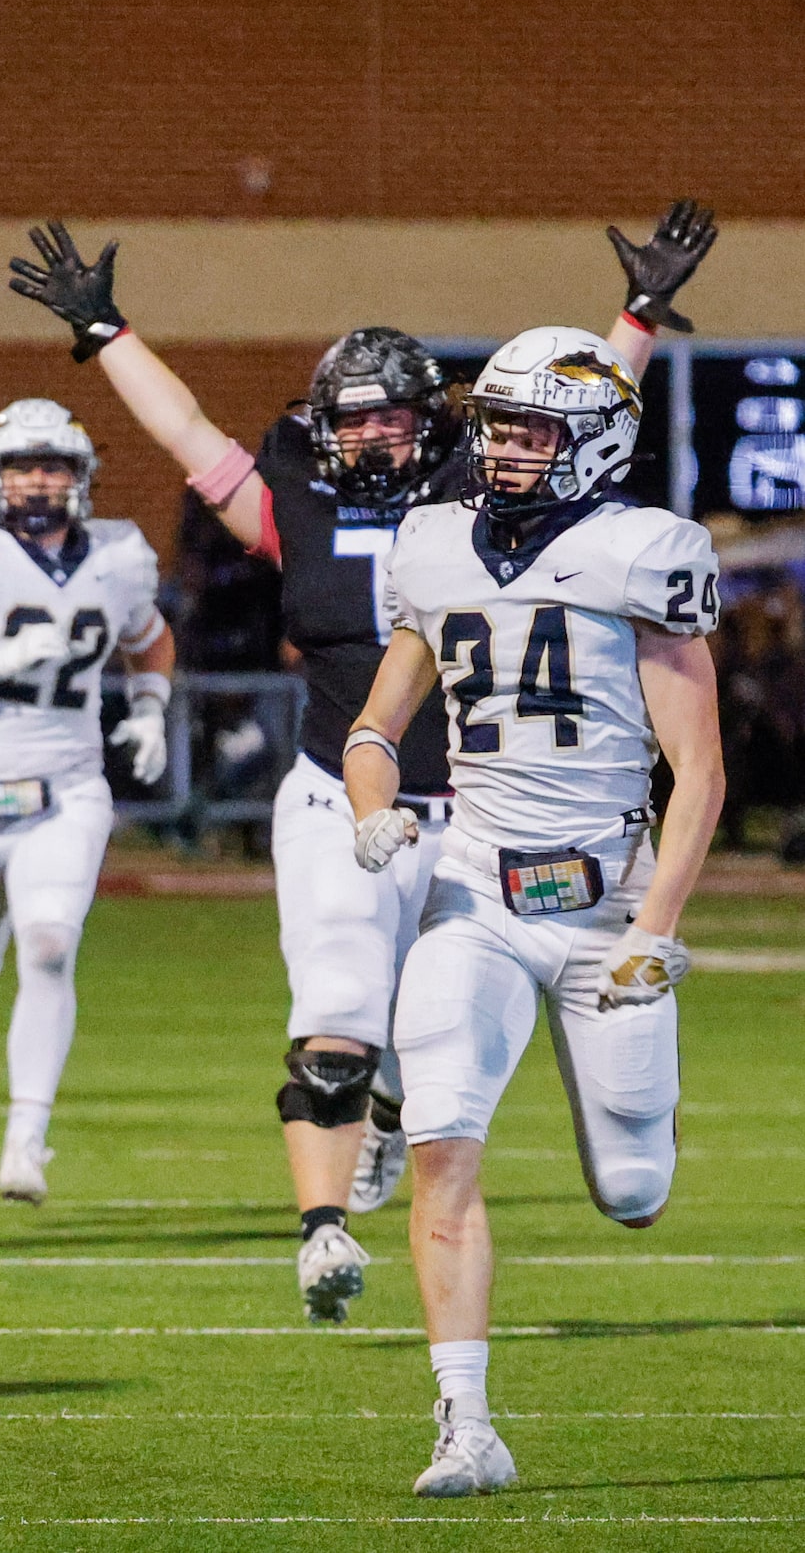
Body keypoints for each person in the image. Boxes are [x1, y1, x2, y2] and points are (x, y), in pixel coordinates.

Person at [13, 212, 689, 1318]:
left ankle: (395, 1122)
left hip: (478, 809)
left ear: (434, 423)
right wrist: (105, 331)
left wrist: (638, 319)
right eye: (353, 417)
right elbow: (188, 435)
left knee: (446, 1047)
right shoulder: (295, 496)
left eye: (390, 416)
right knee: (335, 1017)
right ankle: (322, 1234)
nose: (371, 437)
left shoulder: (484, 491)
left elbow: (580, 411)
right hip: (339, 789)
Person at [342, 325, 722, 1499]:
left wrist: (656, 933)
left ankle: (598, 1076)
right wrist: (368, 812)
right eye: (498, 424)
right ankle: (466, 1424)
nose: (505, 446)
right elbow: (372, 728)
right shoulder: (431, 545)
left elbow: (698, 772)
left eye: (531, 428)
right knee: (444, 1153)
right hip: (474, 888)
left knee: (633, 1193)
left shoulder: (644, 550)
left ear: (595, 438)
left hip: (606, 897)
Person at [0, 398, 176, 1207]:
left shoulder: (117, 554)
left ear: (80, 478)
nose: (38, 481)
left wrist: (148, 704)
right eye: (22, 467)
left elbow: (148, 635)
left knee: (48, 945)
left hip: (69, 791)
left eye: (53, 466)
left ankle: (25, 1135)